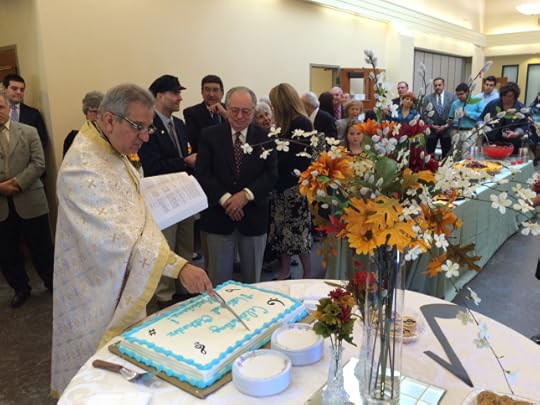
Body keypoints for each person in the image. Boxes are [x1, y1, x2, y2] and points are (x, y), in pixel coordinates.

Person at [51, 84, 213, 396]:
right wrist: (179, 268)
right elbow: (117, 239)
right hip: (98, 287)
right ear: (109, 120)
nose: (146, 137)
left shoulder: (108, 145)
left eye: (149, 127)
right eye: (139, 127)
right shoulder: (83, 167)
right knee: (97, 374)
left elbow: (128, 205)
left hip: (120, 275)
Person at [195, 86, 278, 286]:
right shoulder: (209, 135)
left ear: (253, 110)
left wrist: (245, 195)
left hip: (253, 217)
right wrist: (227, 200)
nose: (240, 116)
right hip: (218, 218)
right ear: (226, 107)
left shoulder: (266, 137)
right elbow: (203, 173)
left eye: (246, 111)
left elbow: (271, 174)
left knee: (253, 283)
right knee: (218, 281)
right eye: (234, 110)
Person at [139, 74, 198, 308]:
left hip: (183, 196)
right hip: (162, 198)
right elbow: (152, 166)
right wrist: (185, 161)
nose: (179, 98)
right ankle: (165, 296)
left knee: (185, 245)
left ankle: (185, 289)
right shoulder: (148, 126)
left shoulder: (180, 125)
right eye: (174, 93)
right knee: (166, 247)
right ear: (159, 95)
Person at [0, 89, 53, 308]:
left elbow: (39, 163)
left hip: (30, 200)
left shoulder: (29, 131)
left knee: (41, 247)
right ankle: (21, 289)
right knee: (7, 252)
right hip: (2, 205)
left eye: (0, 107)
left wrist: (17, 184)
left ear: (8, 107)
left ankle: (52, 283)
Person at [268, 83, 313, 280]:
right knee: (281, 233)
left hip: (294, 187)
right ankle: (285, 271)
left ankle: (309, 274)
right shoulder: (283, 124)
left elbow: (300, 158)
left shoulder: (301, 123)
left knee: (299, 234)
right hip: (280, 187)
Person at [480, 82, 532, 154]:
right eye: (504, 96)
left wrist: (516, 133)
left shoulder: (521, 108)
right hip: (491, 142)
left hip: (512, 145)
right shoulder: (493, 104)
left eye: (509, 96)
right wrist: (481, 126)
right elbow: (480, 118)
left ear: (515, 96)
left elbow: (526, 124)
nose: (506, 98)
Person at [2, 74, 49, 147]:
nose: (19, 92)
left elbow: (42, 141)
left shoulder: (33, 114)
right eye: (14, 88)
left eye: (22, 90)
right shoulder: (1, 112)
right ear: (5, 89)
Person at [183, 74, 227, 153]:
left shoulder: (230, 111)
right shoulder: (191, 113)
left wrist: (225, 114)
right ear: (202, 92)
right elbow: (196, 142)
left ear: (222, 93)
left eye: (215, 90)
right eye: (207, 90)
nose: (211, 94)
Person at [448, 83, 485, 157]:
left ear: (467, 92)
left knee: (467, 155)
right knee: (455, 155)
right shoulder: (455, 104)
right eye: (457, 94)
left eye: (461, 94)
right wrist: (450, 121)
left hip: (470, 131)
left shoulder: (477, 101)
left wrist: (468, 113)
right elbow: (450, 117)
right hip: (456, 131)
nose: (459, 96)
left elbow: (482, 116)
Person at [424, 77, 457, 158]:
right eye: (435, 85)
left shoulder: (452, 97)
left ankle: (444, 169)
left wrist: (445, 125)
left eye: (439, 85)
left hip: (446, 130)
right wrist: (432, 125)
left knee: (447, 154)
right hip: (432, 130)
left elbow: (454, 113)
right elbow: (424, 114)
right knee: (429, 153)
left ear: (443, 85)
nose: (437, 87)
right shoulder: (428, 98)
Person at [63, 91, 104, 157]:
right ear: (86, 113)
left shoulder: (111, 139)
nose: (98, 116)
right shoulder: (73, 138)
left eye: (101, 112)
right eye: (94, 111)